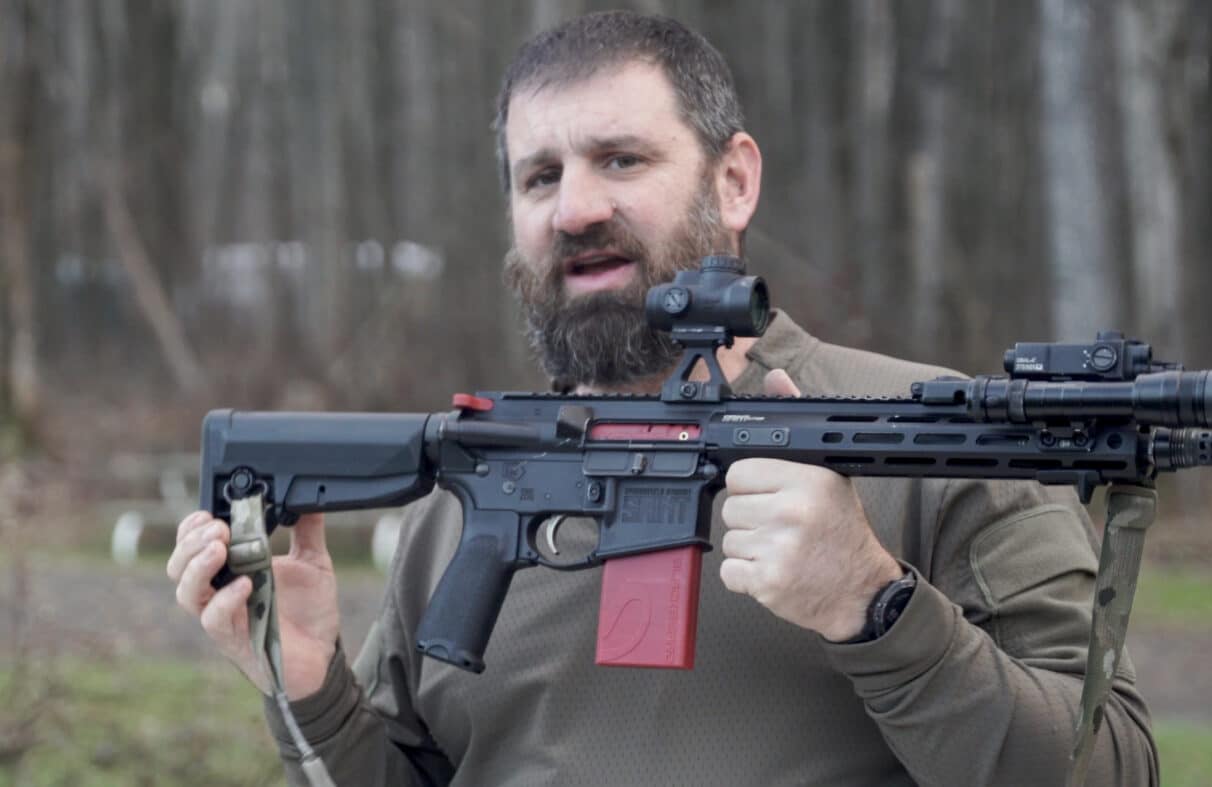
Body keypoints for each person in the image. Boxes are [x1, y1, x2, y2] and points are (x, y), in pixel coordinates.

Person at [168, 10, 1157, 786]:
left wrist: (873, 605)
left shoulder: (937, 444)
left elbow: (1106, 775)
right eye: (539, 175)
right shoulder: (467, 494)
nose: (576, 208)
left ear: (732, 181)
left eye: (622, 160)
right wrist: (308, 686)